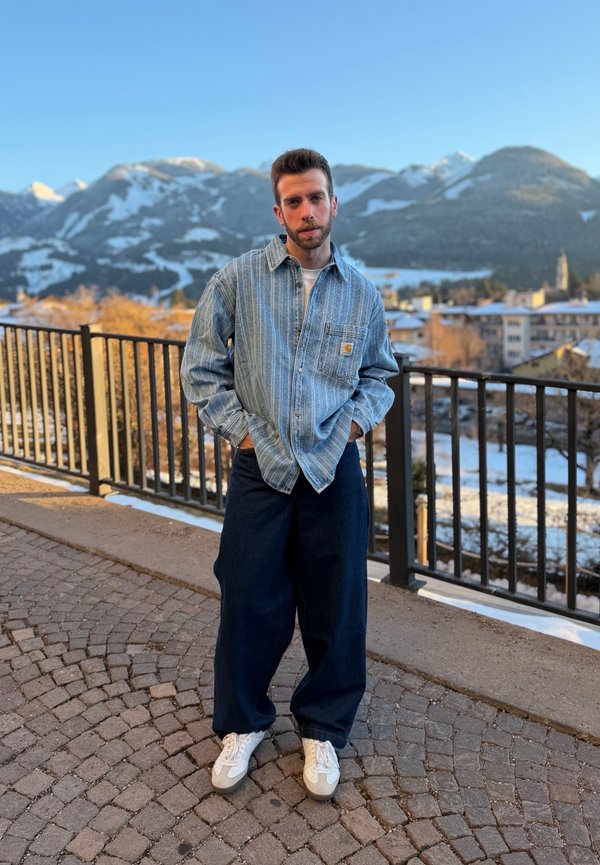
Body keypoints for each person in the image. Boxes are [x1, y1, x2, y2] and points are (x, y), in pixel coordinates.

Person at [180, 148, 398, 800]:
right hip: (262, 468)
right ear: (278, 211)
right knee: (248, 596)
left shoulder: (361, 293)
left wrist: (352, 426)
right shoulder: (237, 280)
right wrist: (243, 433)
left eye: (316, 197)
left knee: (339, 602)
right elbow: (200, 368)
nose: (307, 210)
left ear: (333, 203)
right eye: (294, 200)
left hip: (333, 469)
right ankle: (243, 722)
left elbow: (379, 376)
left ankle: (323, 727)